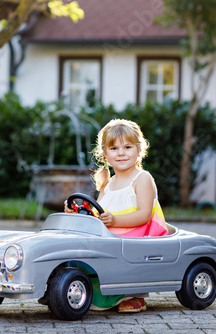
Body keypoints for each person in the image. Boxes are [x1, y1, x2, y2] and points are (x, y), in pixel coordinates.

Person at [64, 118, 168, 313]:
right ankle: (69, 284)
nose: (121, 153)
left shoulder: (142, 179)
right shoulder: (107, 185)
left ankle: (132, 295)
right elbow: (97, 216)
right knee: (74, 249)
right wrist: (77, 213)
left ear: (139, 150)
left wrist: (115, 220)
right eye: (114, 149)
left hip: (136, 239)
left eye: (127, 147)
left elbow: (145, 215)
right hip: (111, 238)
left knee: (107, 253)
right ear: (105, 154)